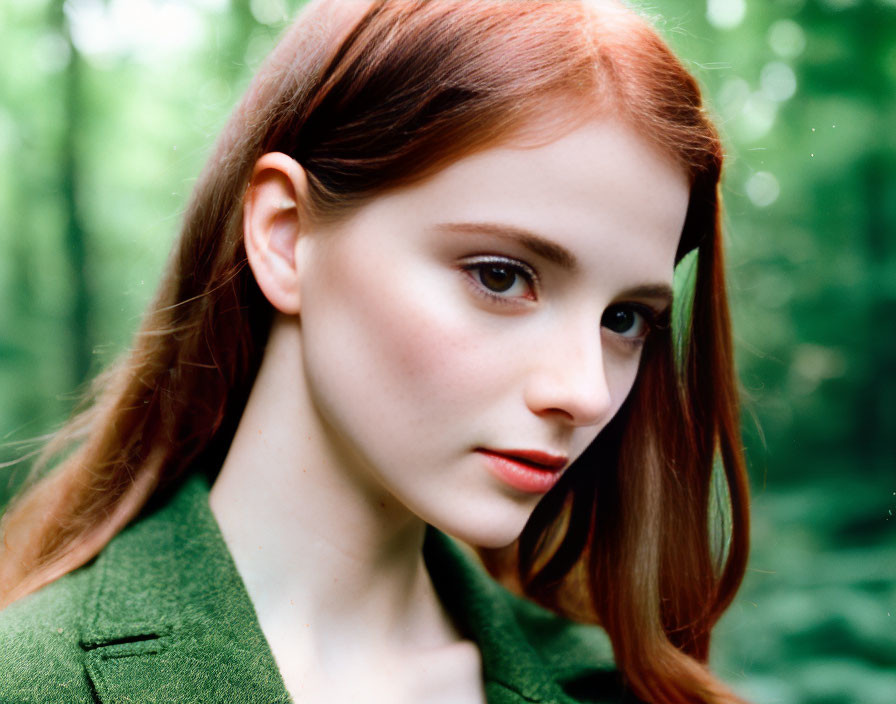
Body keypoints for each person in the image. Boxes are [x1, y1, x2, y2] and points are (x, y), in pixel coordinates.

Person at [0, 1, 751, 702]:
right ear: (286, 236)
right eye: (501, 276)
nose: (585, 392)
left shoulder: (606, 688)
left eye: (624, 318)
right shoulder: (34, 678)